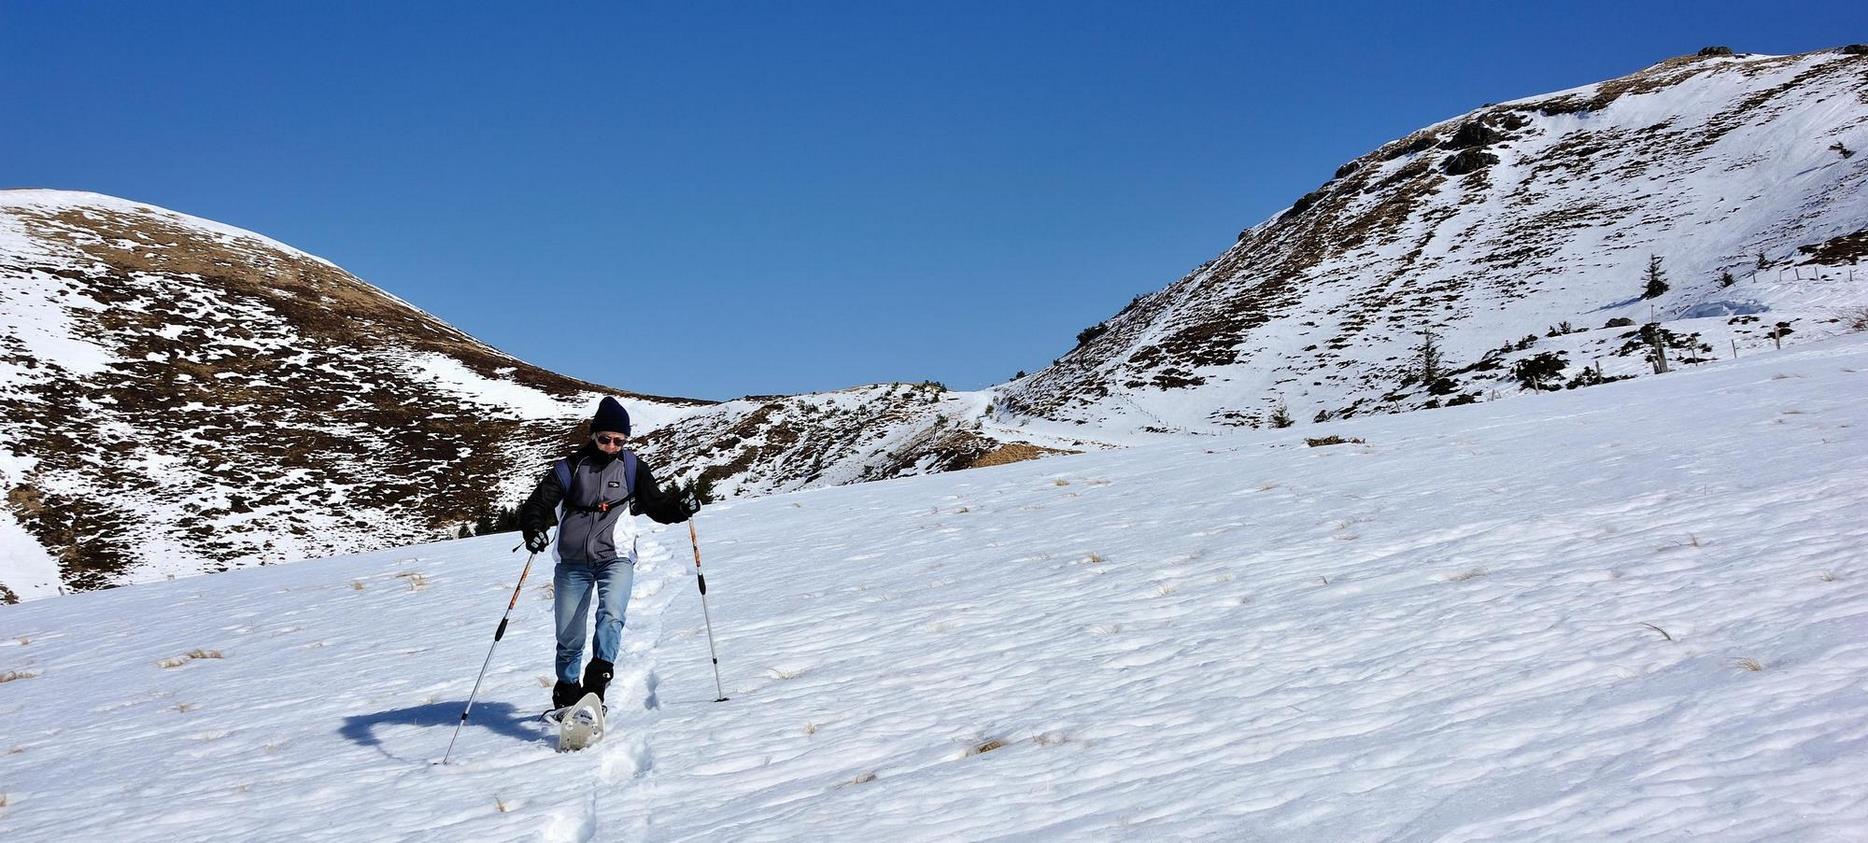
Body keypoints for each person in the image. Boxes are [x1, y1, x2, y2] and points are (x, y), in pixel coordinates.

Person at [519, 396, 701, 710]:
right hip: (573, 562)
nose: (612, 446)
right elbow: (537, 504)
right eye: (606, 439)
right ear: (594, 436)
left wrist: (680, 509)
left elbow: (657, 505)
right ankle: (566, 691)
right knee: (568, 635)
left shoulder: (632, 467)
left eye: (619, 441)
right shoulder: (569, 468)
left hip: (615, 557)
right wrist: (533, 528)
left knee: (611, 616)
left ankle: (596, 686)